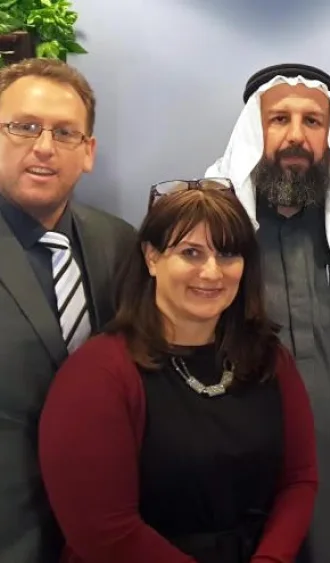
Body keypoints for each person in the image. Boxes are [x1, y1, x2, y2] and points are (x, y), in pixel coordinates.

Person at [37, 183, 318, 563]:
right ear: (151, 257)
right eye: (191, 253)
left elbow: (299, 479)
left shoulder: (269, 359)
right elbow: (102, 529)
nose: (212, 272)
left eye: (228, 253)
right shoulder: (97, 376)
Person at [204, 63, 330, 563]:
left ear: (329, 135)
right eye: (279, 119)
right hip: (238, 464)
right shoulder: (209, 233)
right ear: (254, 132)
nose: (296, 135)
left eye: (312, 121)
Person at [0, 58, 136, 563]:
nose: (43, 147)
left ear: (88, 152)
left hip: (105, 538)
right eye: (23, 127)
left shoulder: (120, 244)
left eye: (64, 133)